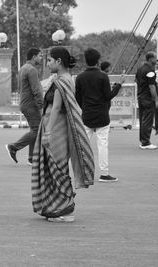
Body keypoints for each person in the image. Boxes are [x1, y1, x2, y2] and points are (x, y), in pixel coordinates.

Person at [31, 47, 94, 223]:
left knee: (58, 167)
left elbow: (57, 108)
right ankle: (55, 206)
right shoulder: (60, 79)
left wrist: (47, 132)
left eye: (50, 60)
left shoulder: (63, 81)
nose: (48, 63)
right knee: (54, 168)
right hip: (55, 127)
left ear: (59, 62)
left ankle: (65, 208)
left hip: (57, 129)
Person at [75, 48, 125, 183]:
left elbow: (77, 97)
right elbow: (108, 96)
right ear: (98, 61)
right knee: (102, 144)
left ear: (86, 61)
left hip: (87, 115)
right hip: (102, 115)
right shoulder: (103, 76)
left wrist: (85, 108)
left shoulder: (80, 77)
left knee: (83, 145)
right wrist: (118, 85)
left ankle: (81, 172)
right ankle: (104, 173)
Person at [5, 48, 43, 165]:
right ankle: (14, 147)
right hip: (31, 105)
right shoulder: (32, 70)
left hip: (25, 103)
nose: (41, 58)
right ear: (33, 56)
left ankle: (32, 158)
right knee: (37, 130)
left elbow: (19, 88)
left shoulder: (22, 68)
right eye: (40, 56)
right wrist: (42, 105)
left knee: (35, 130)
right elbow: (36, 90)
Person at [135, 51, 158, 149]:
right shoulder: (150, 71)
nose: (156, 60)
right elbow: (152, 87)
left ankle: (143, 140)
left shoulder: (140, 68)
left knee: (142, 119)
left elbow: (136, 80)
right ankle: (145, 142)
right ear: (150, 59)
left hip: (140, 96)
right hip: (148, 98)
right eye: (155, 58)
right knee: (147, 120)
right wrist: (156, 99)